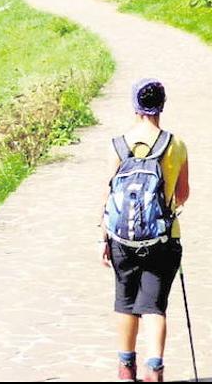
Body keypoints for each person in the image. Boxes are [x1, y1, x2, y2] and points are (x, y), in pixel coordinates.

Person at [102, 78, 191, 383]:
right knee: (154, 305)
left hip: (121, 238)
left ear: (135, 105)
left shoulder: (118, 144)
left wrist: (102, 238)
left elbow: (109, 196)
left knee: (125, 302)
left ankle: (126, 369)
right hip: (163, 237)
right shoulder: (175, 145)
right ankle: (155, 369)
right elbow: (182, 195)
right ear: (161, 105)